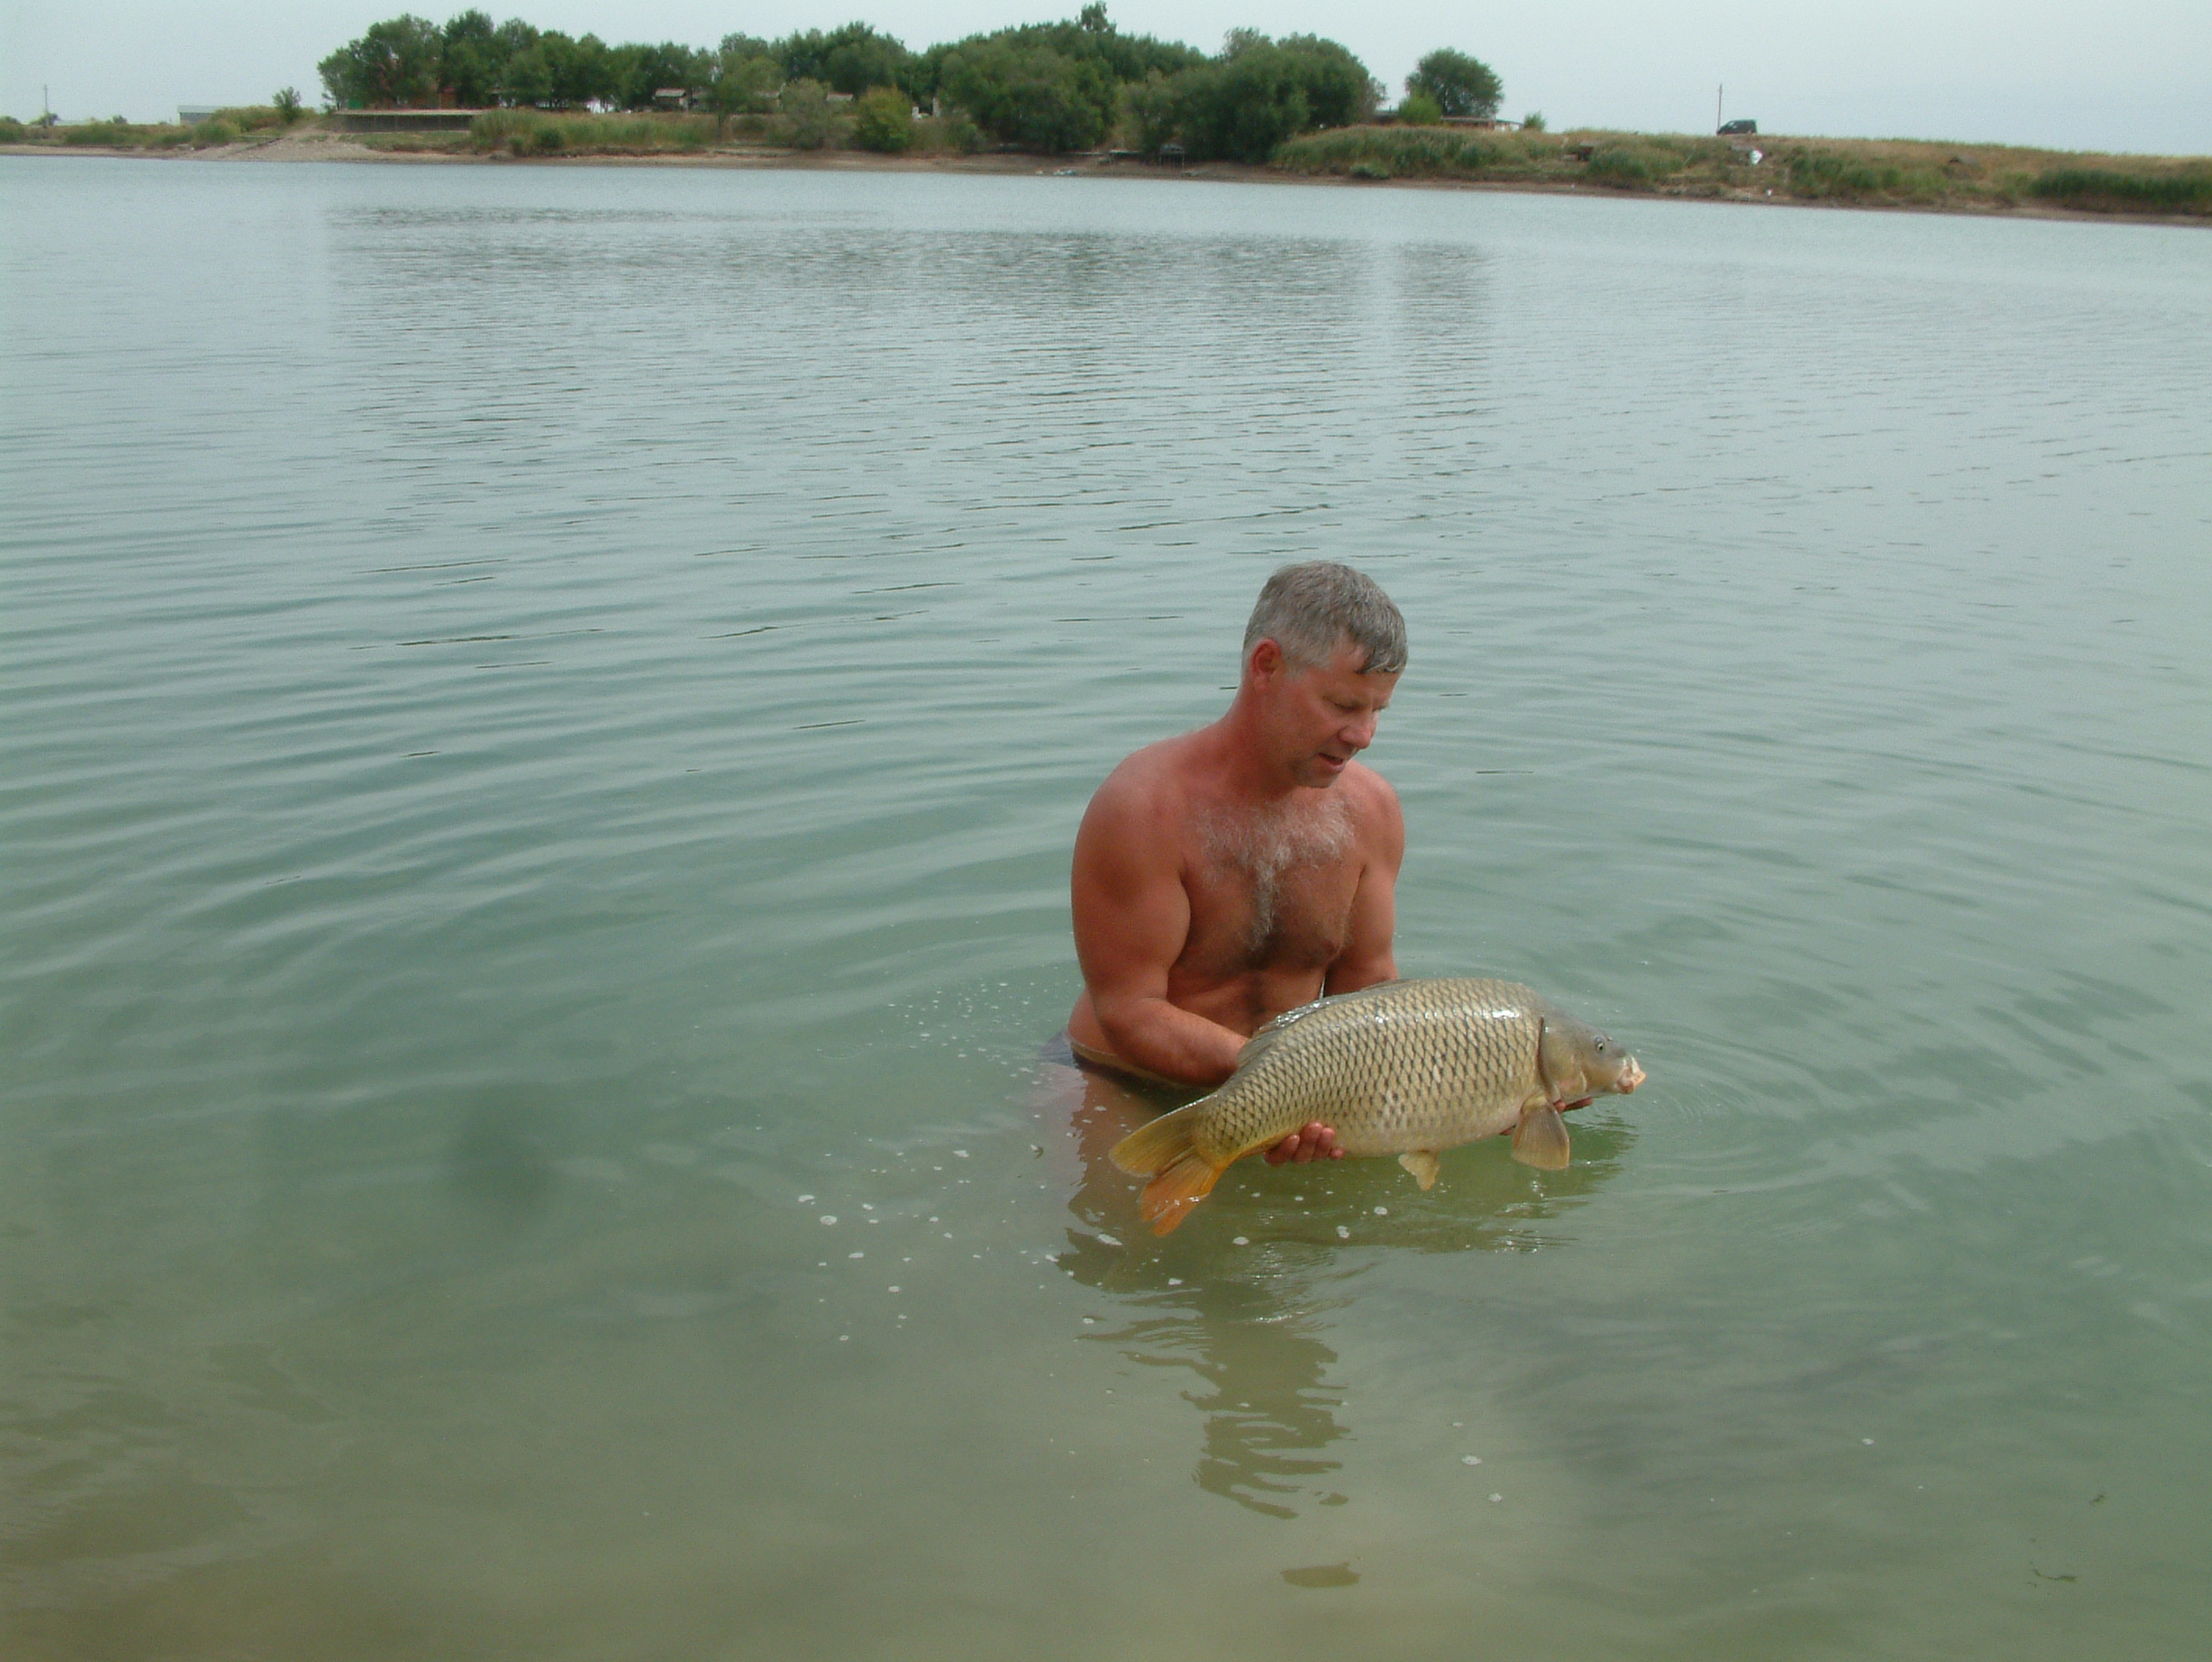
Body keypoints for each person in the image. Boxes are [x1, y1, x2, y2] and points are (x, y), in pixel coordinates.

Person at [1065, 561, 1407, 1166]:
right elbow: (1128, 1011)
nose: (1363, 735)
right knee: (1118, 1224)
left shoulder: (1371, 811)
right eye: (1342, 705)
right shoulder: (1145, 809)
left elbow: (1367, 982)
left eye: (1377, 710)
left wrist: (1497, 1088)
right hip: (1126, 1081)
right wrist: (1286, 1079)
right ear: (1266, 666)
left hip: (1297, 1097)